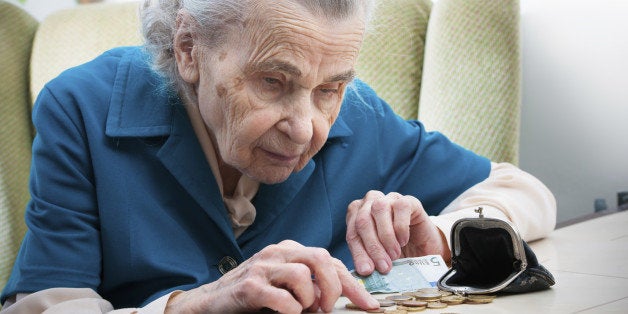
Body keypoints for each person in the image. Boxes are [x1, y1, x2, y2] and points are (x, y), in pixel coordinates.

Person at [0, 0, 556, 313]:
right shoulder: (82, 105)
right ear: (189, 49)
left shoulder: (358, 114)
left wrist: (437, 233)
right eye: (273, 80)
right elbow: (46, 306)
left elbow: (525, 191)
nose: (306, 126)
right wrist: (192, 308)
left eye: (330, 88)